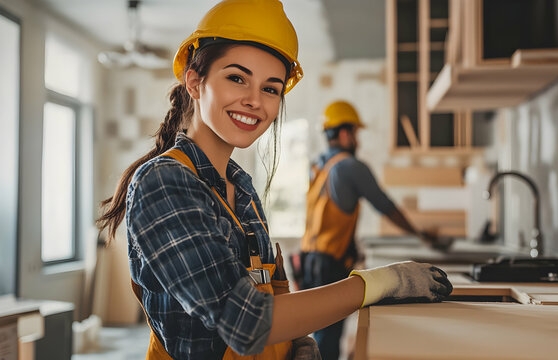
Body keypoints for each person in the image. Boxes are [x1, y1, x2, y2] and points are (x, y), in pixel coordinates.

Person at [97, 1, 453, 359]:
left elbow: (269, 294)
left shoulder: (243, 188)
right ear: (194, 81)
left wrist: (296, 342)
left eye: (271, 88)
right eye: (237, 78)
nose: (254, 100)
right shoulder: (163, 183)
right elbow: (246, 323)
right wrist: (381, 282)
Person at [299, 100, 453, 359]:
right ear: (346, 133)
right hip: (329, 264)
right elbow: (386, 206)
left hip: (308, 259)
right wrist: (420, 234)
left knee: (318, 331)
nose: (357, 141)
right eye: (356, 134)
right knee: (328, 337)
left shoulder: (319, 166)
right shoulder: (351, 166)